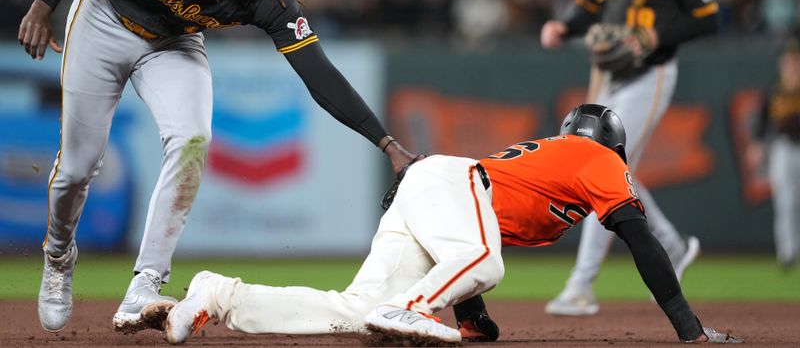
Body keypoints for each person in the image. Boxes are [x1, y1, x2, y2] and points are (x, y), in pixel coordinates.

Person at [18, 0, 418, 334]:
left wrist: (387, 143)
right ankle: (58, 254)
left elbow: (318, 72)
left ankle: (146, 283)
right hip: (104, 18)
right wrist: (42, 4)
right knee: (78, 166)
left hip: (173, 42)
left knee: (193, 138)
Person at [162, 104, 742, 345]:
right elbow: (641, 238)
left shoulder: (553, 158)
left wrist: (473, 317)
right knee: (487, 263)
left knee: (354, 313)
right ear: (612, 147)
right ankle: (413, 309)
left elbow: (472, 230)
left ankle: (218, 293)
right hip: (452, 183)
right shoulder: (597, 161)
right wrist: (688, 328)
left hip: (438, 192)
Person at [539, 0, 719, 316]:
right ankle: (674, 246)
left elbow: (708, 16)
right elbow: (587, 9)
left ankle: (581, 286)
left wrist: (658, 35)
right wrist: (564, 24)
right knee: (618, 171)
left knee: (599, 167)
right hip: (608, 75)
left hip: (651, 73)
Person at [748, 36, 800, 270]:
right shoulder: (774, 91)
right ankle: (787, 253)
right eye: (788, 61)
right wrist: (757, 145)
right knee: (785, 201)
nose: (791, 65)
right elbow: (762, 124)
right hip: (782, 148)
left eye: (795, 60)